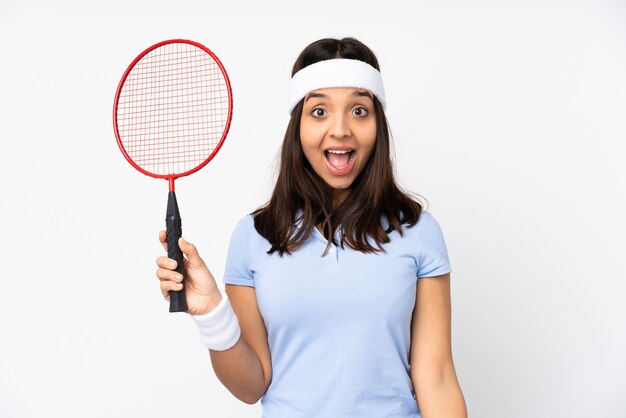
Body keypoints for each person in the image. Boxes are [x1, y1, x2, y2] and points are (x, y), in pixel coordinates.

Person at [155, 37, 467, 418]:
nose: (340, 130)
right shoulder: (254, 237)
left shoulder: (418, 231)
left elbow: (435, 378)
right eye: (319, 111)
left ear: (378, 124)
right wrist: (210, 313)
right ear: (297, 128)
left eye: (359, 110)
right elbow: (251, 386)